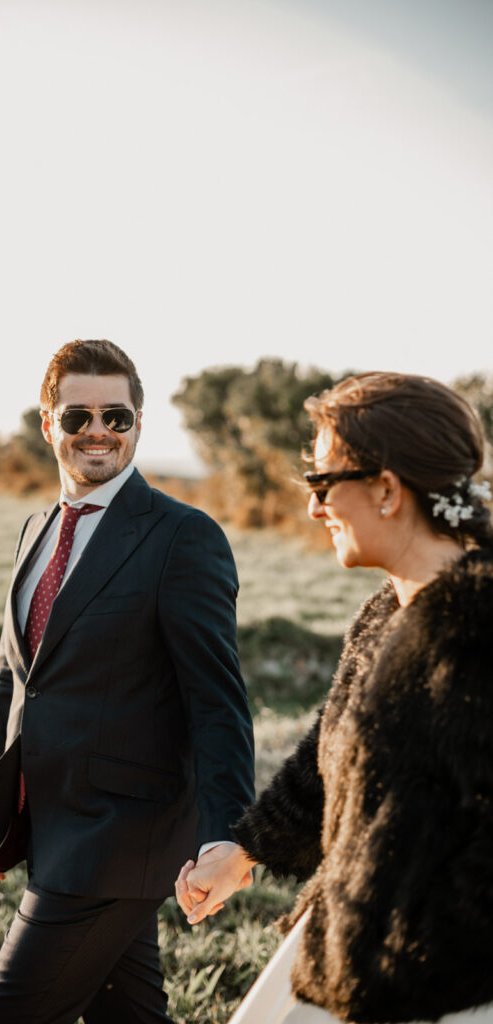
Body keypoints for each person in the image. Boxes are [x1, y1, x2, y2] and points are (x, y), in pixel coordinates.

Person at [176, 372, 493, 1024]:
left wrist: (410, 955)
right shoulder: (387, 611)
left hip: (435, 992)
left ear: (385, 489)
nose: (314, 508)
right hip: (347, 949)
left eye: (323, 484)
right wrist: (247, 850)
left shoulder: (478, 634)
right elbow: (343, 753)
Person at [0, 339, 255, 1024]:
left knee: (8, 1015)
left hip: (122, 834)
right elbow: (12, 680)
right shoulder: (36, 529)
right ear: (47, 424)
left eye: (115, 417)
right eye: (77, 416)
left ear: (138, 424)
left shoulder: (183, 537)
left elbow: (216, 701)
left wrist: (225, 836)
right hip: (51, 827)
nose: (98, 431)